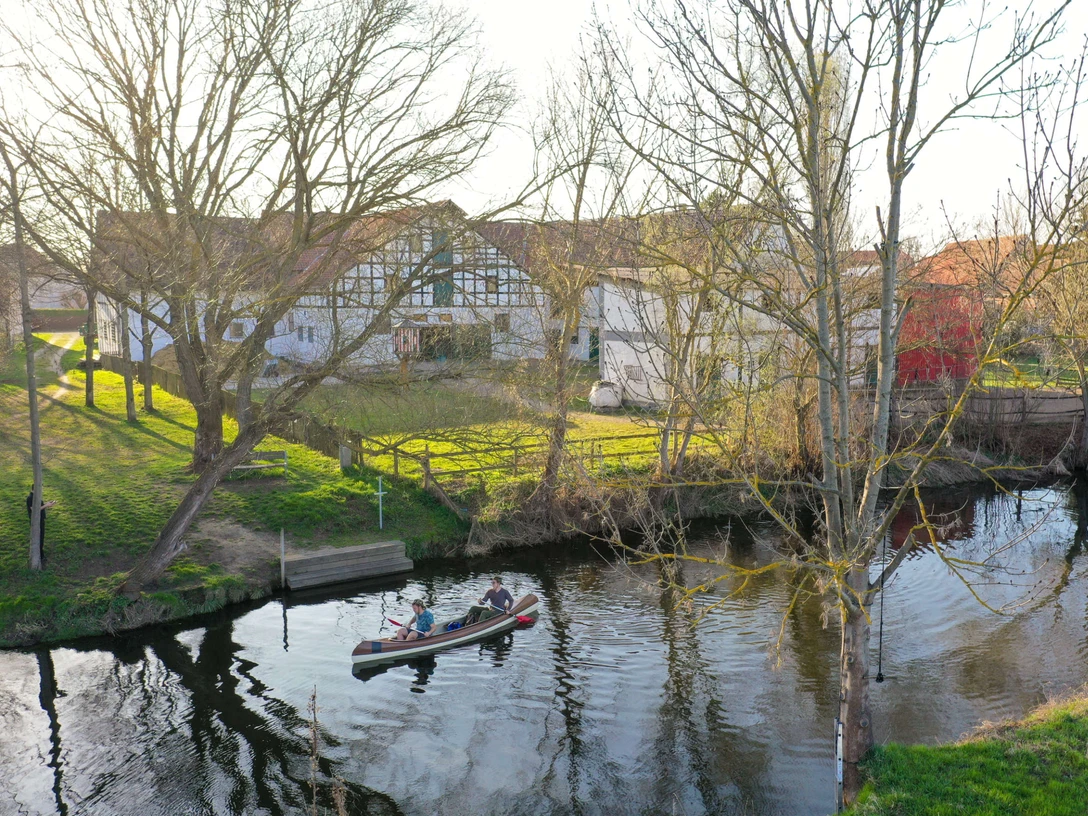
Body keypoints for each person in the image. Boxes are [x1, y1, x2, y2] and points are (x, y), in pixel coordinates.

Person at [25, 487, 57, 568]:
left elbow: (39, 506)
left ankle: (41, 554)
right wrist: (46, 505)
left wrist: (47, 504)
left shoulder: (36, 497)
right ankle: (40, 556)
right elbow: (34, 509)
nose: (41, 490)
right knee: (39, 537)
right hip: (36, 521)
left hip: (40, 520)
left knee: (41, 537)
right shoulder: (30, 498)